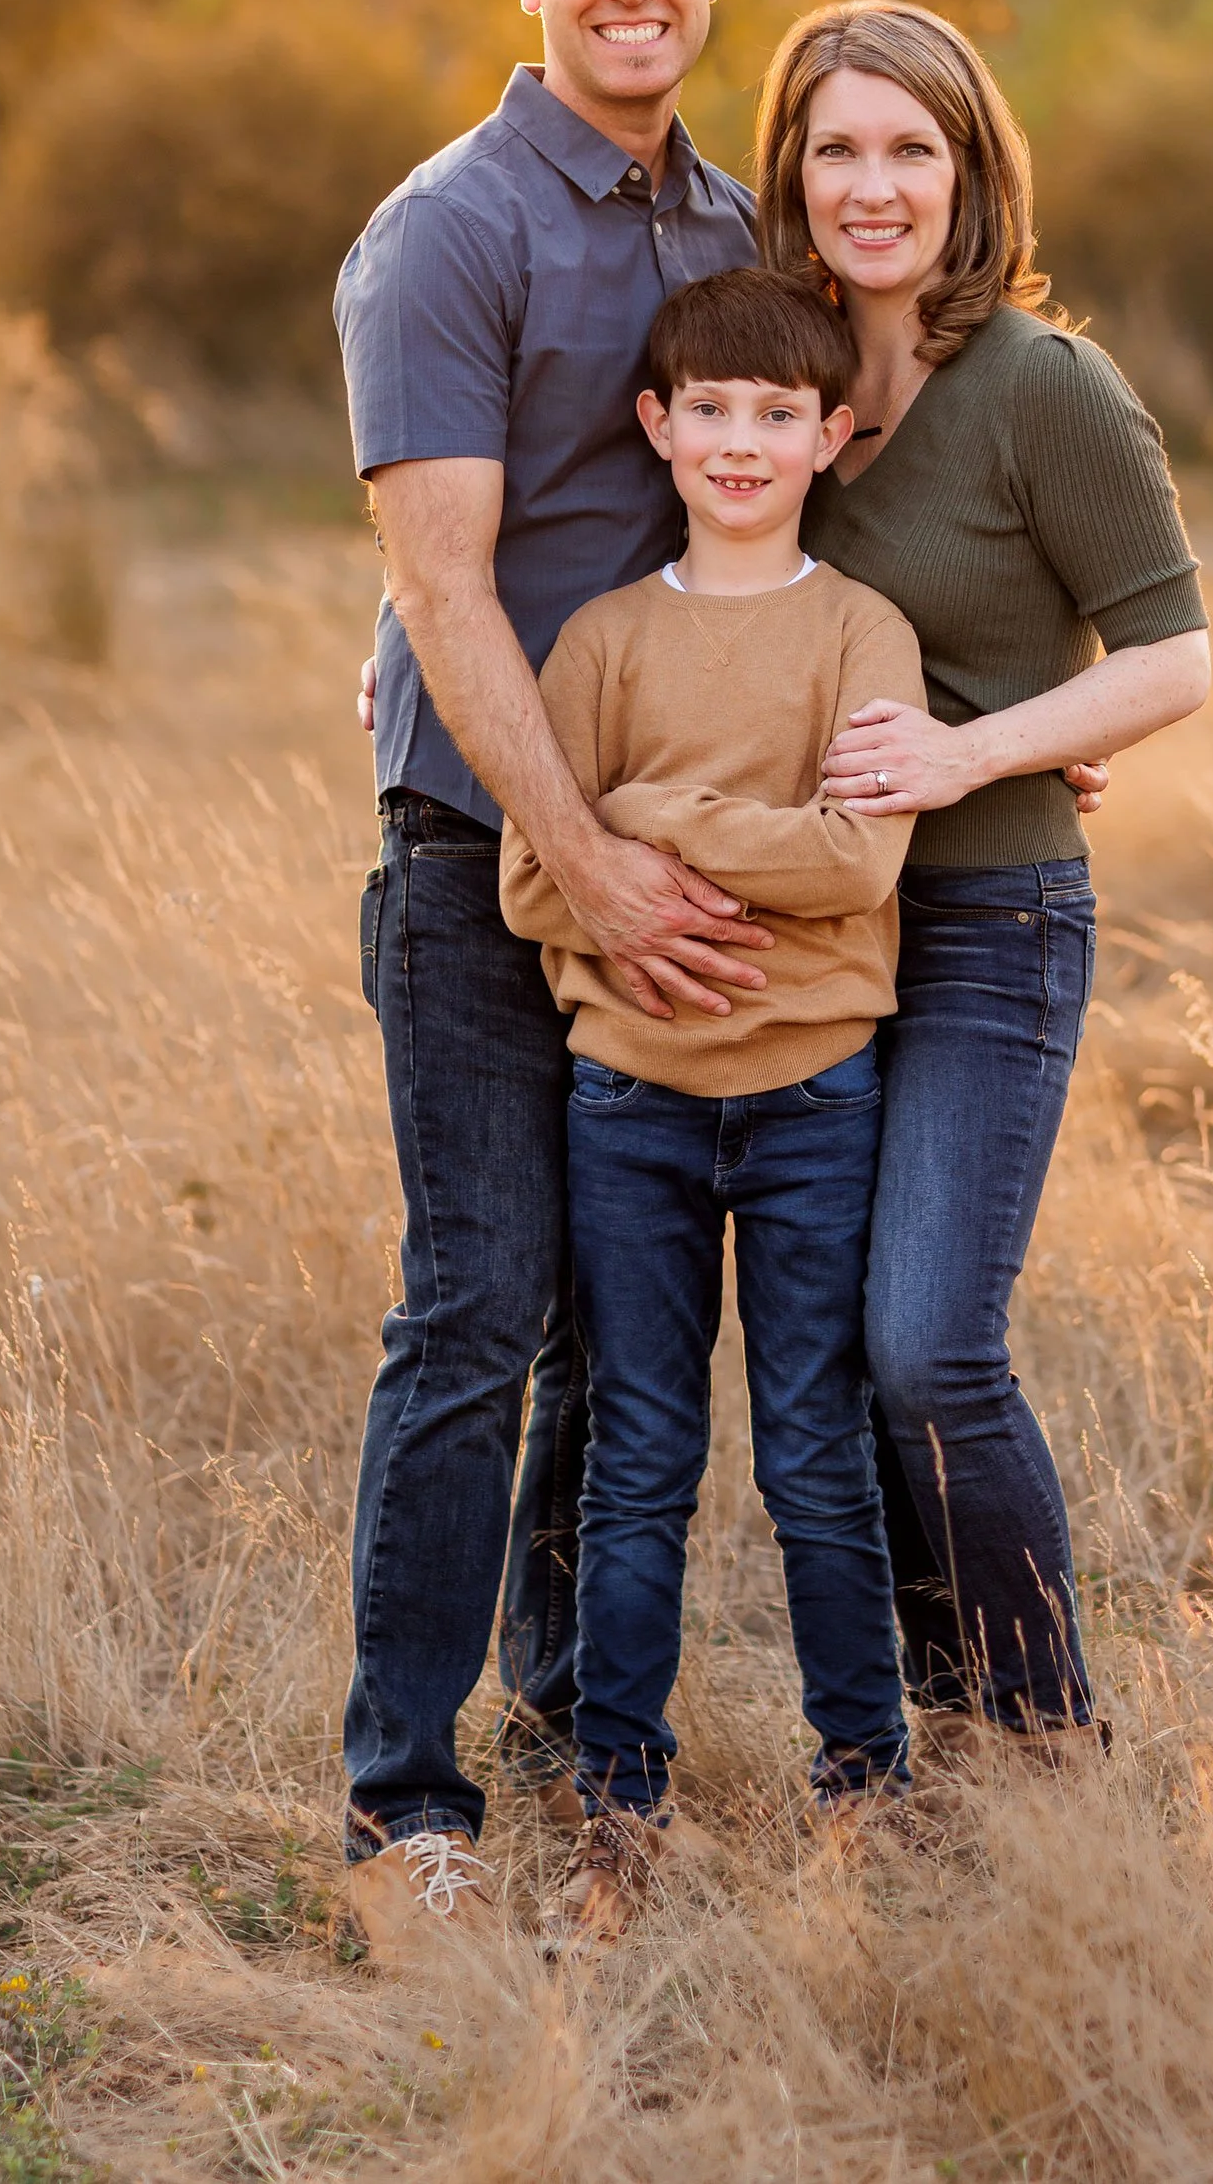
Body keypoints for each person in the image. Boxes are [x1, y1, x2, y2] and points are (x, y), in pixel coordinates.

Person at [331, 0, 773, 1954]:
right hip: (480, 859)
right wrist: (578, 856)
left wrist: (992, 747)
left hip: (677, 871)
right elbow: (442, 584)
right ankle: (401, 1813)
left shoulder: (740, 218)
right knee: (479, 1309)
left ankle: (575, 1752)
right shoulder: (451, 230)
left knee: (623, 1334)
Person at [754, 0, 1213, 1754]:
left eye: (912, 150)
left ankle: (1049, 1740)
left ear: (972, 173)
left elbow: (1172, 659)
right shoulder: (769, 370)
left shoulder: (1045, 389)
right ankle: (935, 1746)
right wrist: (396, 648)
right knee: (845, 1369)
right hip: (814, 926)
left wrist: (979, 747)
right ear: (793, 166)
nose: (875, 188)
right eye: (840, 147)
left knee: (932, 1345)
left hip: (988, 919)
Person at [499, 268, 925, 1945]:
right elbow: (543, 875)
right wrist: (625, 841)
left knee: (819, 1455)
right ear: (657, 426)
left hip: (820, 1096)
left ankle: (863, 1799)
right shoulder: (603, 640)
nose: (742, 443)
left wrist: (655, 818)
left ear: (831, 436)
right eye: (712, 412)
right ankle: (620, 1816)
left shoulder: (858, 631)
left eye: (779, 415)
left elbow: (859, 860)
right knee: (638, 1460)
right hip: (632, 1107)